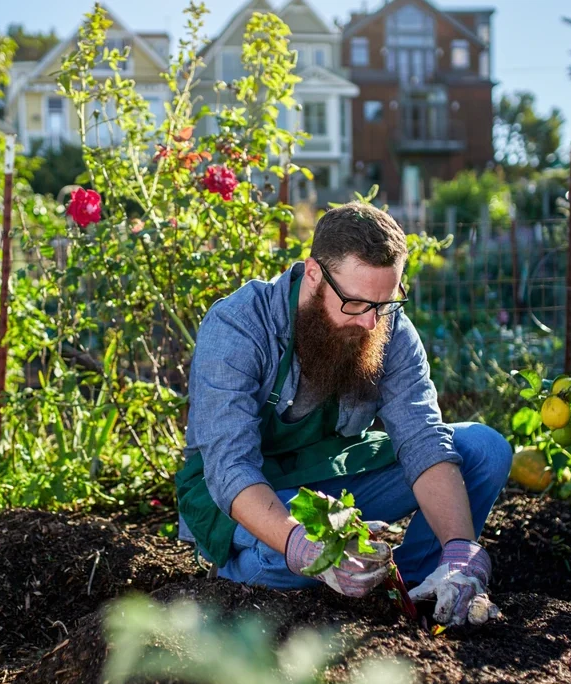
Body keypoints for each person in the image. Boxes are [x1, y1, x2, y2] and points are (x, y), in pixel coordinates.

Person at [175, 201, 511, 627]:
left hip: (330, 480)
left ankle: (419, 587)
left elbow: (422, 438)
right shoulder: (239, 326)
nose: (371, 323)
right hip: (246, 495)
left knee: (484, 449)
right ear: (313, 274)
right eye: (355, 303)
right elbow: (229, 468)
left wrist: (460, 549)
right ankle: (242, 575)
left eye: (384, 303)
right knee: (286, 560)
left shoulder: (387, 327)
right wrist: (302, 545)